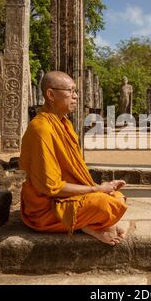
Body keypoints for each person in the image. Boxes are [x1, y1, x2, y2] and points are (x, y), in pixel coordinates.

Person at [19, 71, 128, 246]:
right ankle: (90, 225)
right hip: (46, 209)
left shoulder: (65, 124)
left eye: (75, 91)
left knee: (117, 197)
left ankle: (88, 224)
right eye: (70, 91)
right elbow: (51, 188)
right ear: (51, 94)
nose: (75, 96)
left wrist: (101, 190)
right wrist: (97, 189)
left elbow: (72, 172)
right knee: (104, 205)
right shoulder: (41, 129)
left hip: (64, 198)